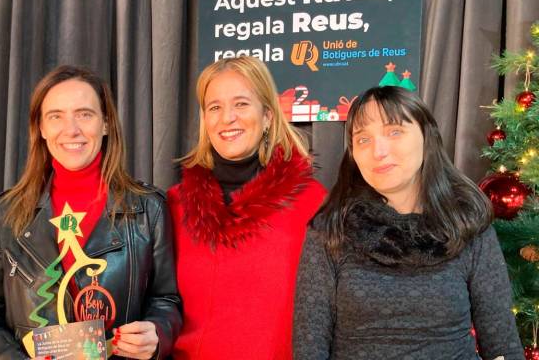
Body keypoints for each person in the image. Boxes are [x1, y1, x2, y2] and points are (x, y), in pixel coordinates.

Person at [292, 86, 523, 360]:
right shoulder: (330, 229)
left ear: (427, 137)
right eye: (363, 139)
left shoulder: (468, 225)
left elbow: (503, 346)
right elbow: (309, 348)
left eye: (394, 131)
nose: (379, 150)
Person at [0, 65, 181, 359]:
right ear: (41, 128)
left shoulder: (149, 209)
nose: (72, 129)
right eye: (56, 116)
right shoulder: (9, 212)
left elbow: (166, 299)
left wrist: (157, 332)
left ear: (106, 123)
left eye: (84, 114)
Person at [167, 56, 326, 359]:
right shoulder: (173, 205)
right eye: (214, 107)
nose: (227, 118)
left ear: (267, 115)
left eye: (241, 104)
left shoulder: (311, 201)